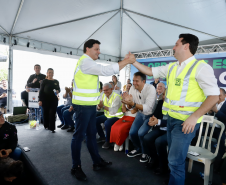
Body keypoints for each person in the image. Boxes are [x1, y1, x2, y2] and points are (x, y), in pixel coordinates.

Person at [129, 34, 219, 185]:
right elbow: (150, 71)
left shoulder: (201, 68)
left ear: (186, 46)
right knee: (174, 158)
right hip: (170, 120)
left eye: (176, 44)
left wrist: (194, 117)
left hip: (185, 122)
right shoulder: (172, 67)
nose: (173, 47)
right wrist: (134, 62)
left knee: (175, 161)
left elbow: (214, 96)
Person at [70, 39, 135, 181]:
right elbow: (105, 70)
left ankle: (97, 162)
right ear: (87, 49)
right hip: (83, 106)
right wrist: (126, 62)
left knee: (91, 135)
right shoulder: (85, 62)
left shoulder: (87, 62)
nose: (99, 52)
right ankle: (76, 167)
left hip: (89, 106)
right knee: (79, 137)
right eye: (96, 49)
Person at [123, 72, 156, 163]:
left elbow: (147, 108)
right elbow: (130, 107)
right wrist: (127, 103)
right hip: (140, 114)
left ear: (143, 81)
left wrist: (132, 104)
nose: (134, 83)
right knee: (132, 133)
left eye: (137, 81)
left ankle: (145, 152)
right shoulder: (132, 89)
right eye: (133, 80)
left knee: (141, 133)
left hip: (150, 115)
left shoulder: (151, 89)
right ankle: (138, 149)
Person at [192, 88, 226, 172]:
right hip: (209, 128)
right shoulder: (212, 102)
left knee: (222, 142)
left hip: (221, 130)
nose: (217, 97)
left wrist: (217, 111)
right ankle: (192, 153)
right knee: (195, 131)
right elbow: (206, 118)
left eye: (220, 95)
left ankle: (217, 167)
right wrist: (210, 112)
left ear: (225, 96)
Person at [143, 90, 168, 175]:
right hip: (160, 128)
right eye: (164, 94)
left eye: (167, 94)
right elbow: (155, 114)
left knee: (159, 141)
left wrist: (158, 122)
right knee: (147, 138)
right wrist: (152, 119)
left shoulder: (176, 106)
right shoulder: (160, 102)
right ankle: (154, 159)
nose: (164, 96)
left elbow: (172, 122)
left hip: (171, 130)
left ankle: (163, 166)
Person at [110, 82, 137, 151]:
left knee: (121, 128)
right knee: (114, 126)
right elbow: (124, 110)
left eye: (130, 87)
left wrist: (128, 103)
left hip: (133, 117)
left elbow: (132, 111)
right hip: (125, 116)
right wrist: (123, 102)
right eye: (127, 86)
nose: (129, 88)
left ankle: (119, 142)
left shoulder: (136, 98)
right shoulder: (124, 96)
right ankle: (119, 142)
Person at [96, 83, 123, 148]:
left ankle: (108, 141)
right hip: (108, 115)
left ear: (111, 89)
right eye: (104, 90)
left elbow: (113, 110)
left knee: (107, 123)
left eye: (106, 90)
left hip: (117, 116)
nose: (105, 92)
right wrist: (99, 107)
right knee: (95, 120)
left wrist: (102, 107)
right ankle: (102, 137)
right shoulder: (103, 95)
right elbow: (99, 106)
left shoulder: (116, 97)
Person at [38, 68, 60, 133]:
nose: (50, 74)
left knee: (52, 113)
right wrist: (40, 100)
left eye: (52, 72)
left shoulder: (56, 81)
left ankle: (52, 128)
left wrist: (58, 91)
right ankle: (46, 125)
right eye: (49, 72)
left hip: (54, 100)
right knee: (46, 113)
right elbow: (41, 91)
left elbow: (58, 89)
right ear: (47, 73)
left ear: (53, 73)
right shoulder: (44, 81)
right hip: (45, 100)